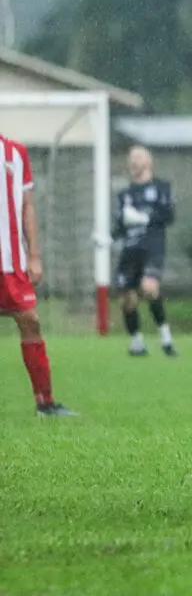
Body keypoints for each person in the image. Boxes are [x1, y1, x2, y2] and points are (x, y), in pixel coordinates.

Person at [0, 133, 74, 417]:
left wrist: (33, 255)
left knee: (30, 320)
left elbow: (27, 205)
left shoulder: (15, 152)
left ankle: (45, 402)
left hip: (11, 262)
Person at [113, 145, 177, 357]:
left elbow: (169, 215)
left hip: (152, 247)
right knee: (127, 298)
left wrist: (145, 218)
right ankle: (137, 342)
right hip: (130, 249)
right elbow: (119, 225)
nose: (133, 162)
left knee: (149, 288)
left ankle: (166, 338)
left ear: (148, 161)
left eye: (138, 157)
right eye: (130, 158)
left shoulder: (161, 187)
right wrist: (107, 238)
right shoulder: (125, 195)